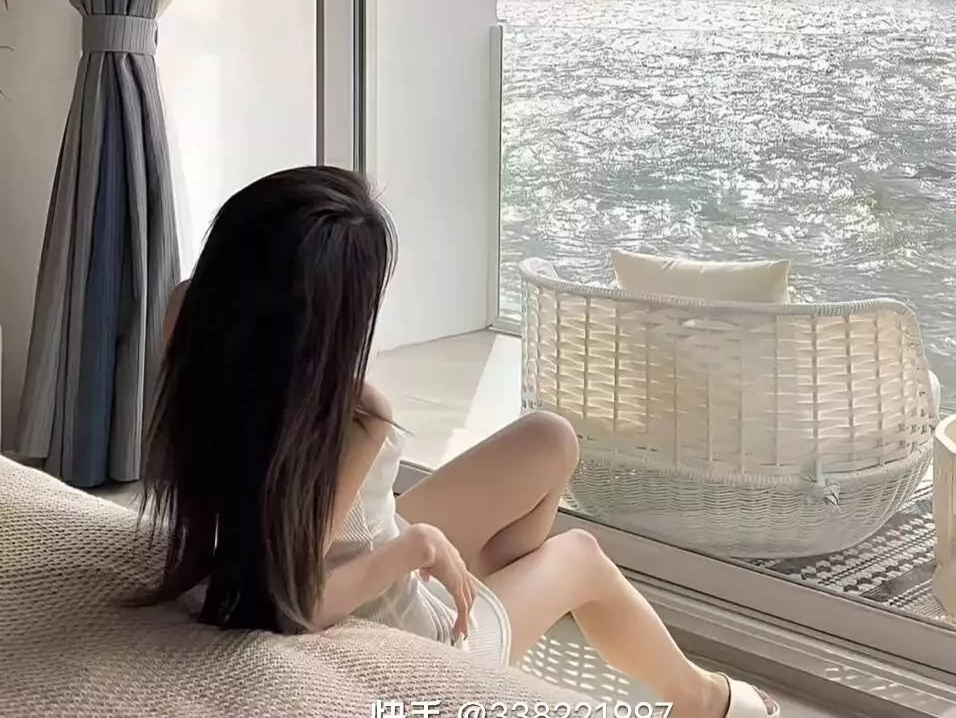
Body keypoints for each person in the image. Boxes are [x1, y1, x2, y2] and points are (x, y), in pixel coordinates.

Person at [143, 166, 777, 718]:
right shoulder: (352, 414)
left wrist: (409, 541)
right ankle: (702, 699)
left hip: (348, 535)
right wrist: (412, 549)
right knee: (581, 555)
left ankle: (494, 605)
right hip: (386, 611)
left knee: (550, 440)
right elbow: (293, 605)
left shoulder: (188, 318)